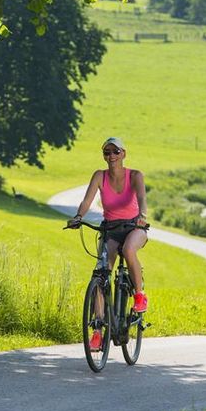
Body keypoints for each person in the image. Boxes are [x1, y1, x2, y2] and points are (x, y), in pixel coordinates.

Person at [67, 137, 149, 351]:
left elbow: (142, 199)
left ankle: (139, 295)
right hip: (110, 229)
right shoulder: (99, 176)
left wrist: (142, 215)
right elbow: (87, 201)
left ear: (123, 153)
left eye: (115, 151)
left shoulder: (135, 175)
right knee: (101, 275)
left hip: (134, 227)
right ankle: (97, 332)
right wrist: (78, 216)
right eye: (107, 152)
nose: (111, 156)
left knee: (129, 250)